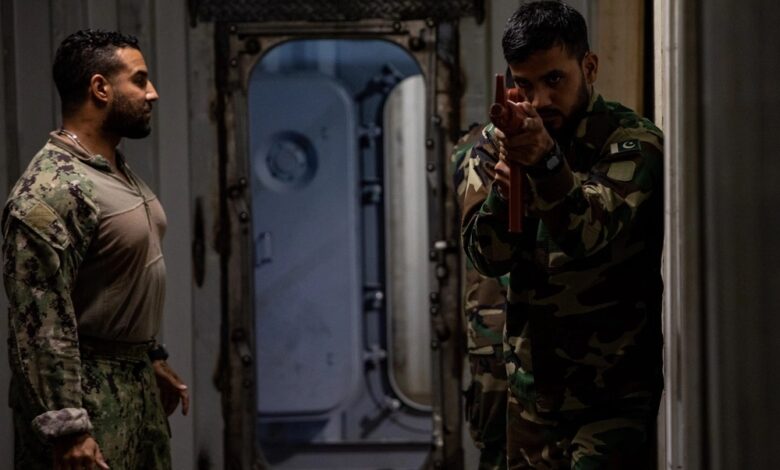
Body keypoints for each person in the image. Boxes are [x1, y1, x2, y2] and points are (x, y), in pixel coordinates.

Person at [462, 2, 664, 468]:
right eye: (524, 84)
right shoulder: (497, 143)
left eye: (554, 80)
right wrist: (504, 191)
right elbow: (485, 258)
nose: (539, 101)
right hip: (532, 398)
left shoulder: (631, 141)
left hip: (612, 399)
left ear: (588, 67)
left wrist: (547, 167)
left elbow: (590, 234)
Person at [2, 29, 189, 469]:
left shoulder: (113, 171)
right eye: (140, 80)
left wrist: (151, 357)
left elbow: (118, 278)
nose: (153, 93)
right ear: (100, 88)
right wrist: (68, 428)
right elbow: (39, 323)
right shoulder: (52, 188)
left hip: (133, 382)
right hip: (86, 395)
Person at [452, 125, 509, 470]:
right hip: (496, 327)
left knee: (497, 447)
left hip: (489, 327)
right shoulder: (481, 150)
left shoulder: (470, 151)